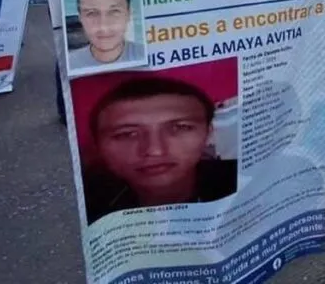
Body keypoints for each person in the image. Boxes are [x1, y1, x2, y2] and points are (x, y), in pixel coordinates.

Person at [83, 77, 237, 224]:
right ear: (97, 144)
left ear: (208, 133)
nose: (155, 150)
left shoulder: (244, 178)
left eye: (179, 127)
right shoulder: (80, 203)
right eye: (127, 134)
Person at [68, 0, 143, 70]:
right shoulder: (69, 65)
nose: (103, 26)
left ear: (128, 14)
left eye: (114, 12)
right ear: (80, 18)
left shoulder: (150, 57)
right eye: (92, 13)